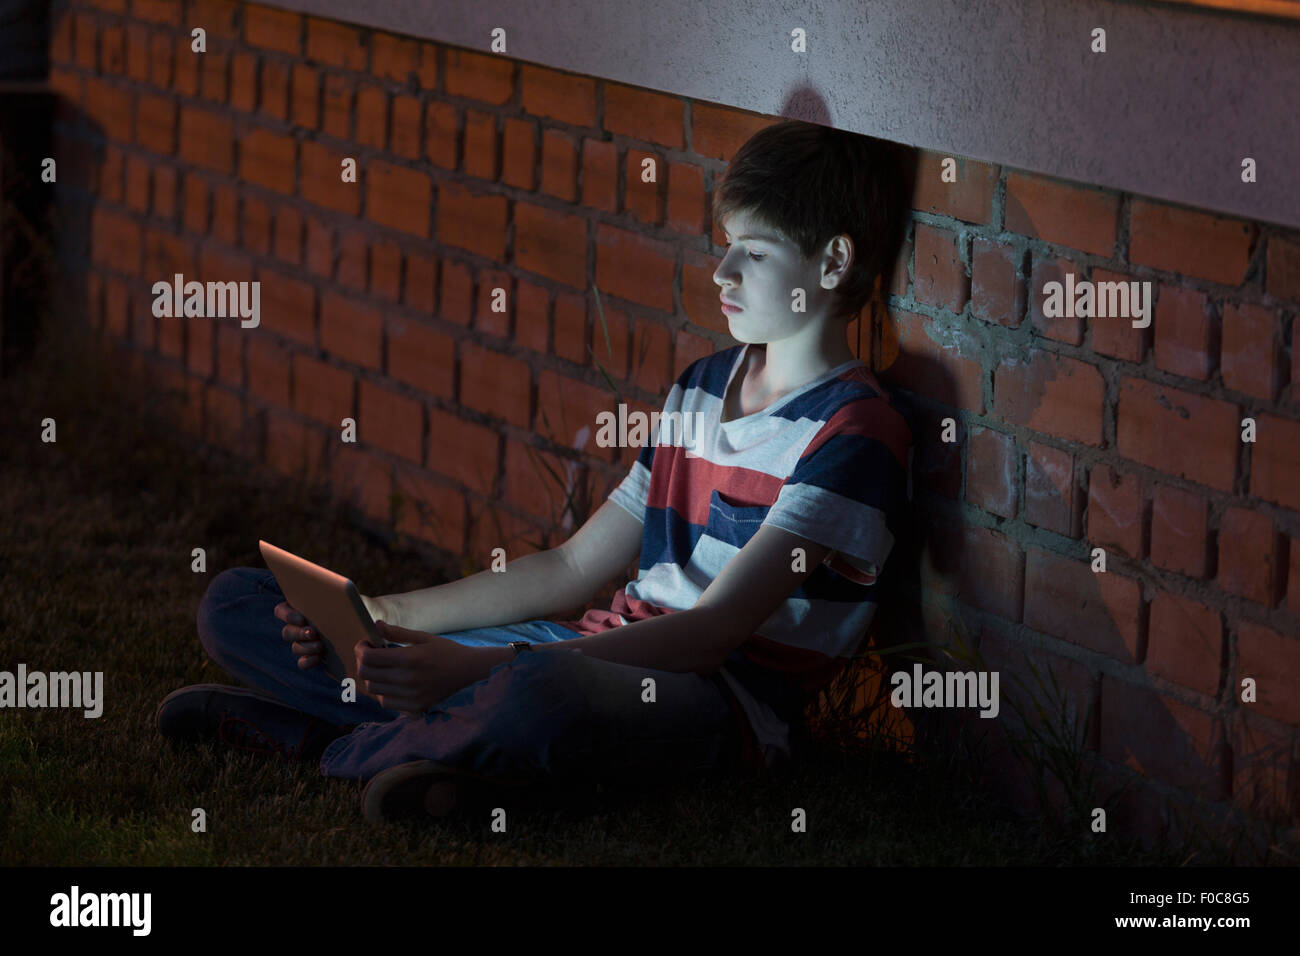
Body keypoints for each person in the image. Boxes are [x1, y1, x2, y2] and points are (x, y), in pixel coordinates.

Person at [156, 119, 913, 824]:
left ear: (833, 261)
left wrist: (468, 671)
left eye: (752, 251)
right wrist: (380, 616)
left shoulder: (856, 431)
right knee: (241, 601)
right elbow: (573, 563)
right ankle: (447, 756)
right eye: (723, 244)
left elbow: (711, 635)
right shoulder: (703, 385)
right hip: (584, 647)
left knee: (536, 691)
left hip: (712, 703)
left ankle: (322, 744)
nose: (720, 271)